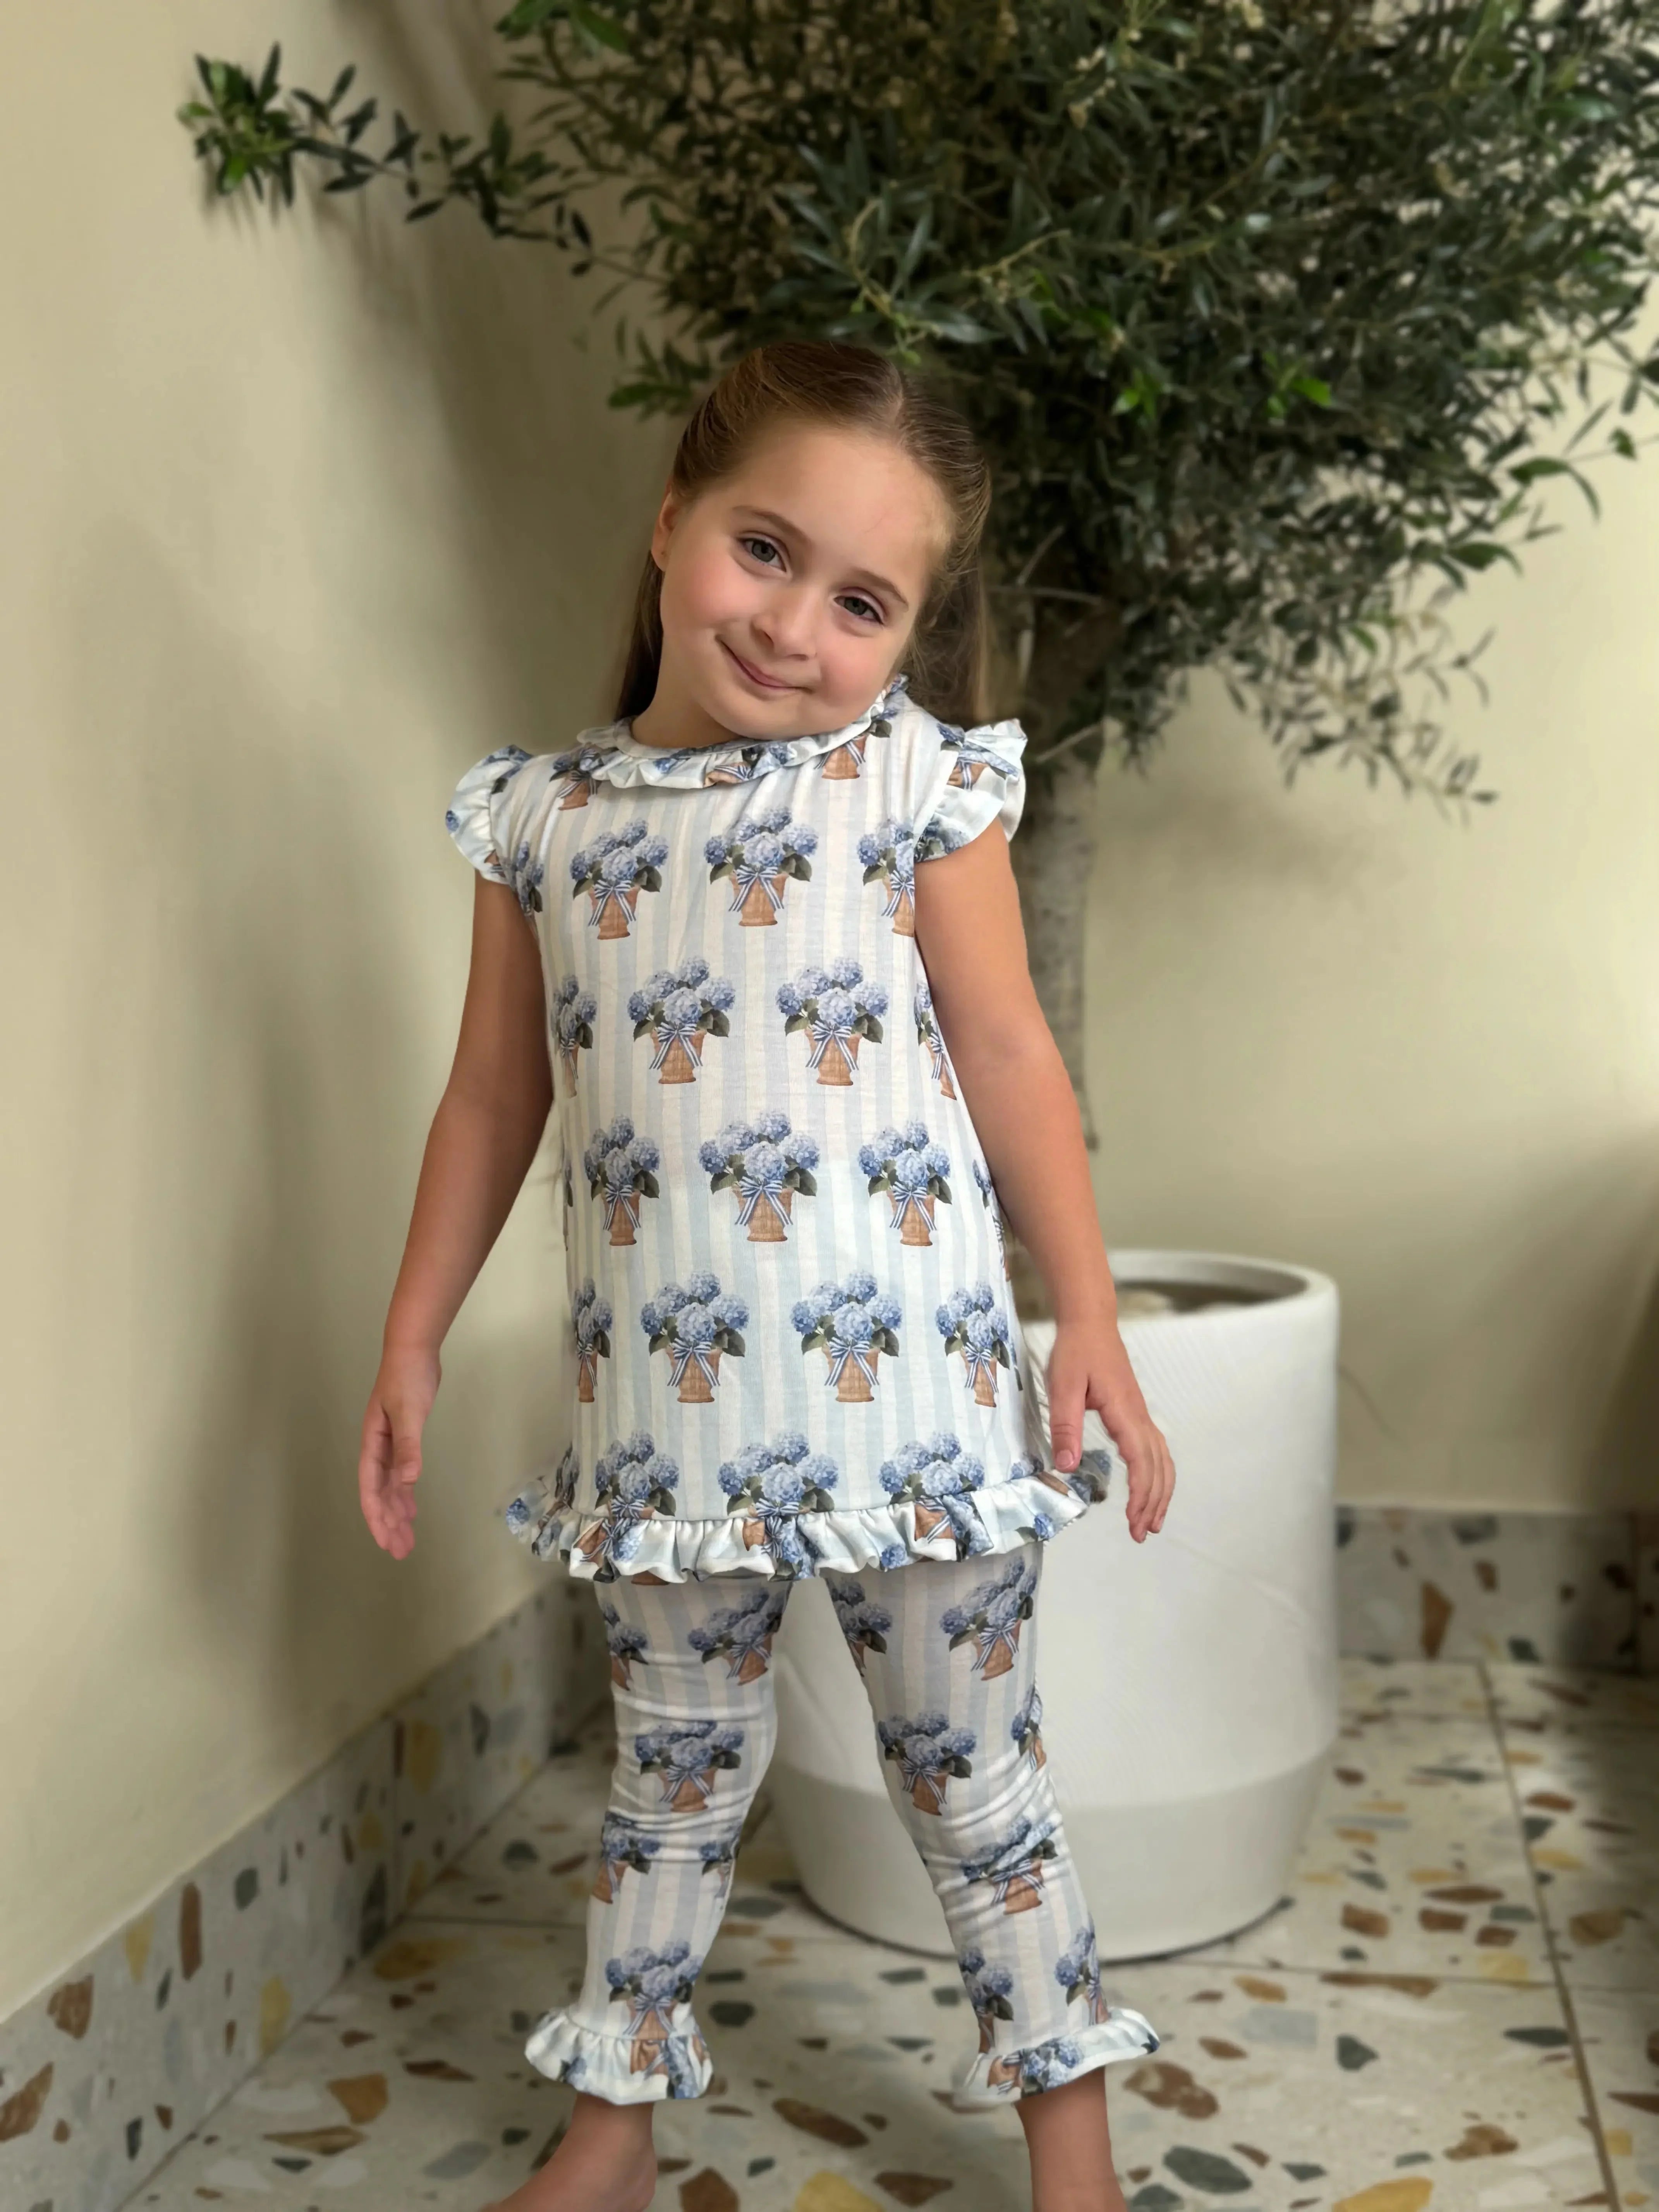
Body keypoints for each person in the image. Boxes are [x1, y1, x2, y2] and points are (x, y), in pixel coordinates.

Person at [359, 337, 1176, 2212]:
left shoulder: (913, 787)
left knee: (975, 1787)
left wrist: (1095, 1322)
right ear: (670, 526)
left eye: (864, 598)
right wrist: (408, 1337)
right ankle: (612, 2129)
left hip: (925, 1400)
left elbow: (1010, 1055)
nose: (798, 622)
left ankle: (1076, 2153)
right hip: (670, 1422)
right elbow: (492, 1101)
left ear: (910, 637)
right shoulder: (540, 821)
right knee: (665, 1778)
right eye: (764, 549)